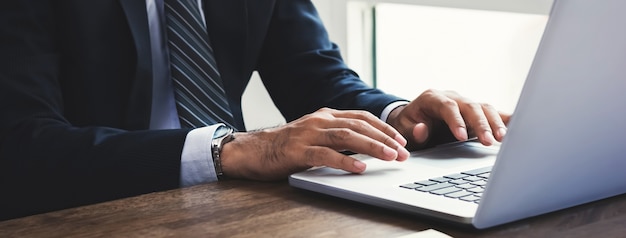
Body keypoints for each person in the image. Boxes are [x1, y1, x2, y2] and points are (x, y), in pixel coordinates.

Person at [0, 0, 509, 220]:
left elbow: (315, 77)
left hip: (227, 212)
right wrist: (232, 149)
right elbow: (22, 147)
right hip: (84, 212)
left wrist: (402, 118)